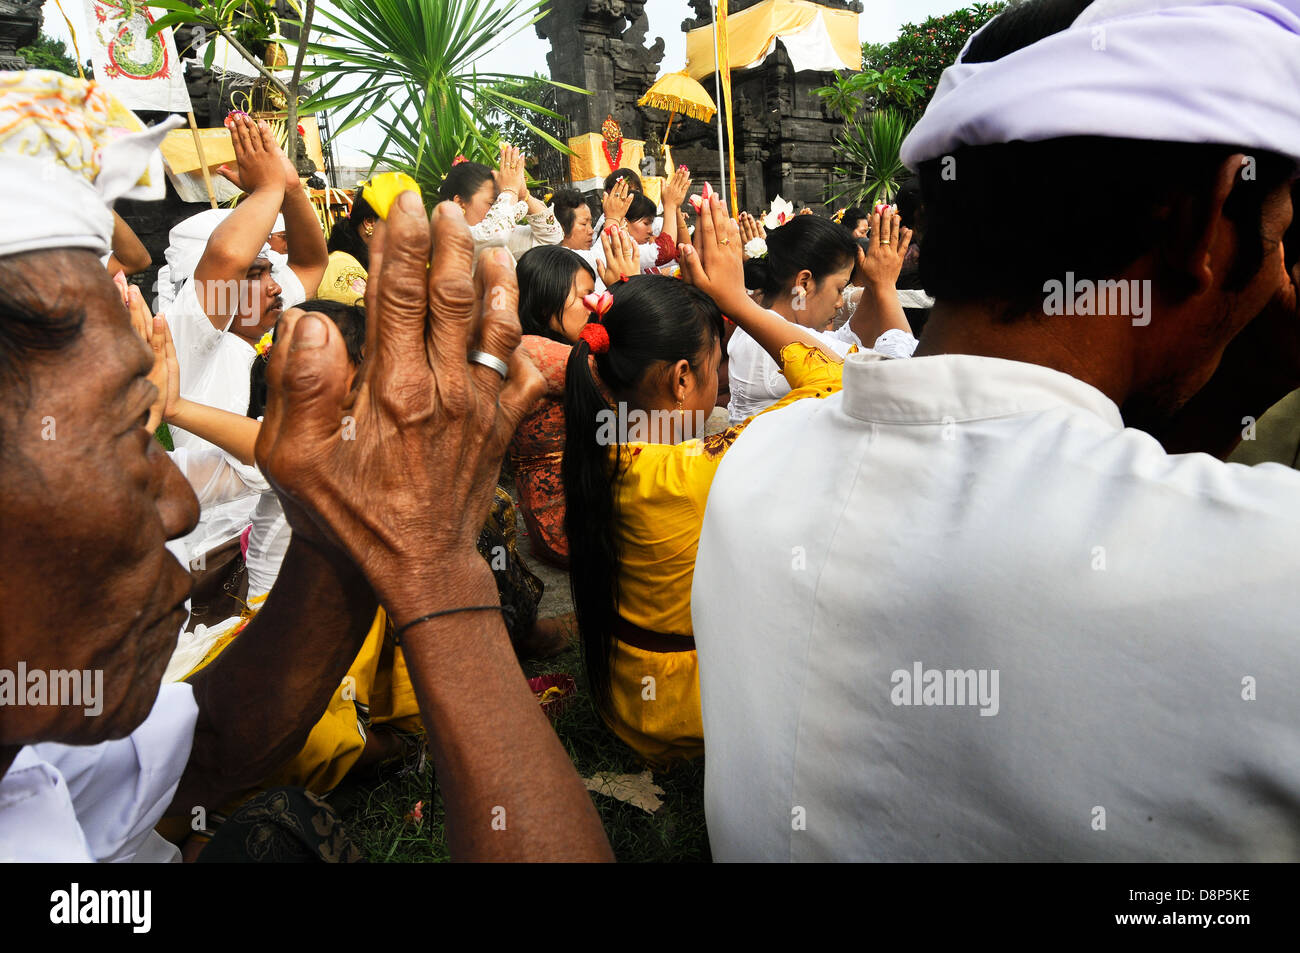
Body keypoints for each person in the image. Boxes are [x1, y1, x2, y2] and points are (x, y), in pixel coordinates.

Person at [691, 0, 1300, 862]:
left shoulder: (755, 472)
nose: (1278, 274)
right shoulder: (1274, 571)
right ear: (1207, 221)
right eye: (1277, 233)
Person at [0, 70, 613, 862]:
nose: (174, 505)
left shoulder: (38, 722)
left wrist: (353, 530)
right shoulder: (196, 324)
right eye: (125, 427)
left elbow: (209, 745)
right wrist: (438, 581)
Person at [561, 194, 848, 766]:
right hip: (689, 718)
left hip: (625, 700)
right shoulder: (694, 472)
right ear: (682, 376)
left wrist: (635, 303)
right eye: (717, 369)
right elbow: (835, 383)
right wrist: (734, 301)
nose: (720, 387)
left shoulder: (600, 446)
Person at [726, 211, 915, 424]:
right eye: (839, 289)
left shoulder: (765, 324)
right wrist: (885, 287)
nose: (840, 303)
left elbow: (843, 343)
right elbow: (901, 382)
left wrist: (873, 286)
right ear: (804, 284)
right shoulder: (768, 339)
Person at [509, 246, 599, 568]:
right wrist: (624, 296)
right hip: (568, 530)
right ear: (547, 301)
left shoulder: (549, 347)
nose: (593, 305)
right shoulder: (530, 349)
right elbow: (626, 378)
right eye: (584, 295)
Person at [439, 144, 562, 261]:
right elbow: (496, 235)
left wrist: (524, 195)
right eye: (493, 203)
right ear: (459, 203)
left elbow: (552, 239)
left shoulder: (498, 232)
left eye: (499, 201)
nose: (499, 207)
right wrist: (510, 189)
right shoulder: (449, 238)